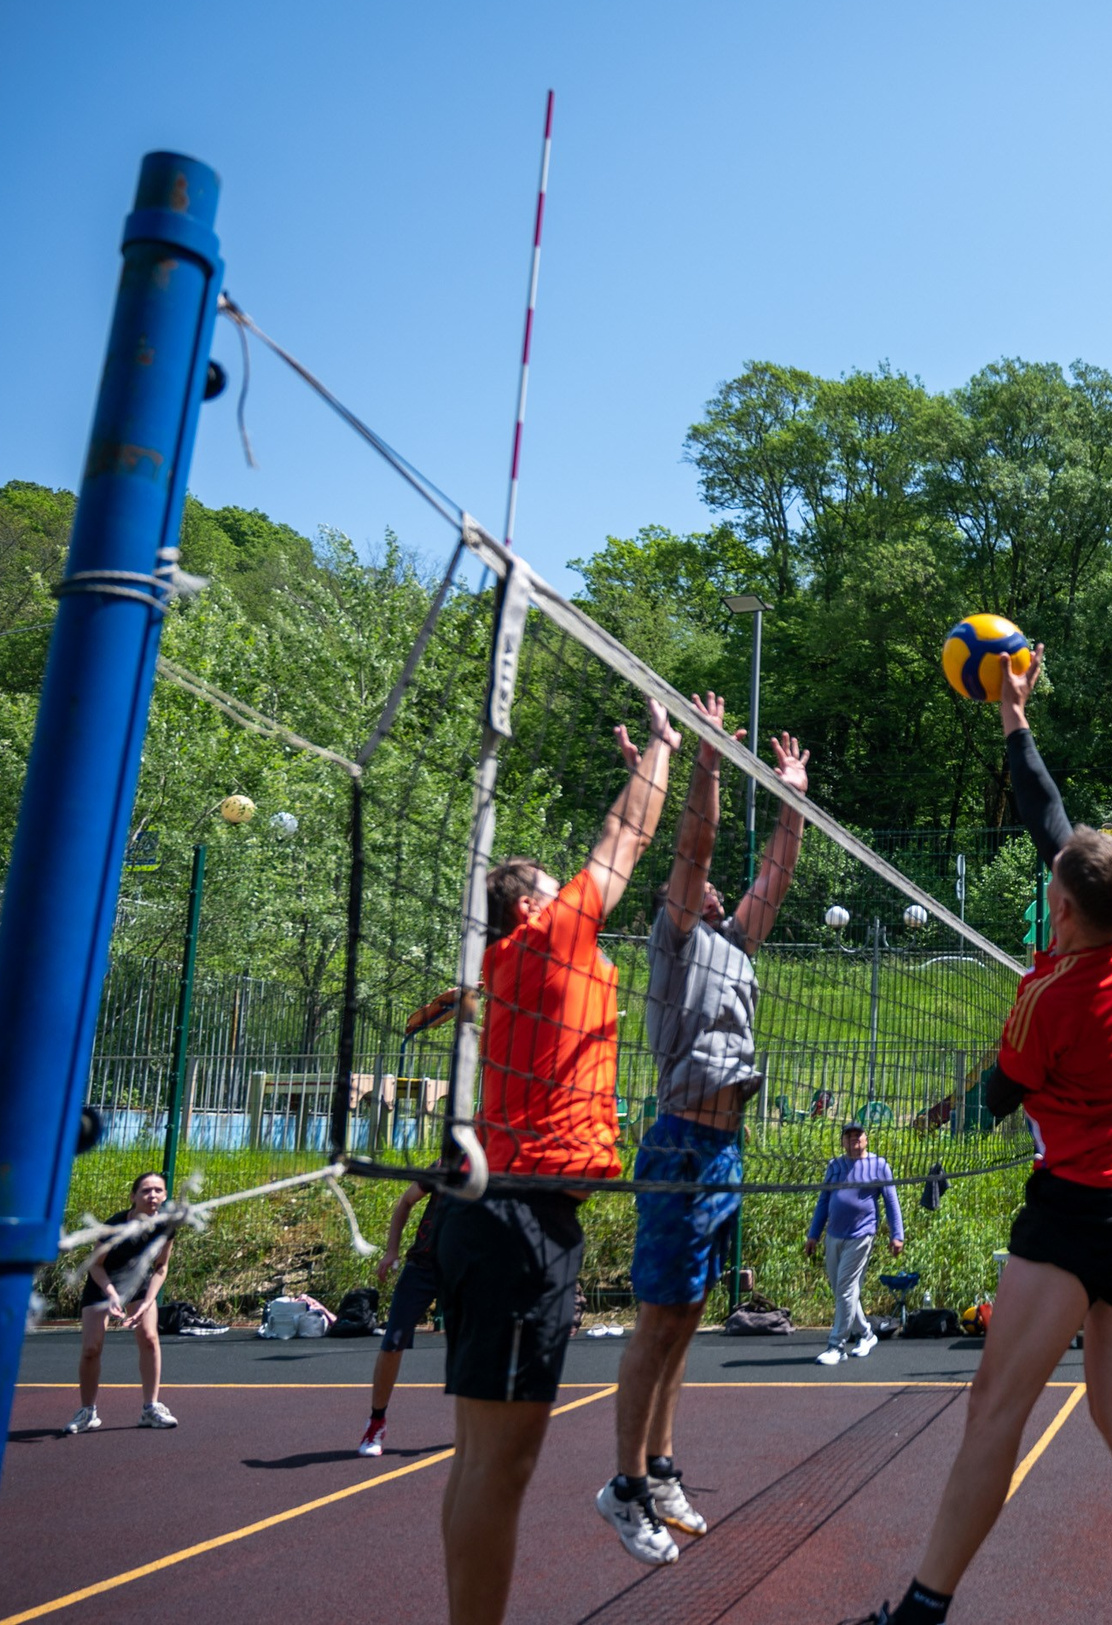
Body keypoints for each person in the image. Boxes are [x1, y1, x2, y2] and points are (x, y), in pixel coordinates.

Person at [849, 646, 1112, 1625]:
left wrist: (930, 1119)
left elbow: (992, 1100)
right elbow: (1051, 816)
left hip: (1083, 1206)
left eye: (1055, 883)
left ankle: (921, 1610)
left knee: (994, 1406)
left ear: (1064, 906)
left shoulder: (1052, 1001)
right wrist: (1013, 714)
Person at [437, 695, 679, 1625]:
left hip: (493, 1214)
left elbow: (619, 838)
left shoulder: (510, 961)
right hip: (521, 1224)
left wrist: (643, 768)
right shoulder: (546, 938)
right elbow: (626, 837)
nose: (573, 887)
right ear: (532, 905)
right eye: (554, 882)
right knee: (500, 1469)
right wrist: (659, 746)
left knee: (480, 1462)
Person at [597, 696, 811, 1564]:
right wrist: (711, 761)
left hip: (725, 1150)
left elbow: (777, 877)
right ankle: (623, 1485)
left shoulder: (736, 944)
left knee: (687, 1319)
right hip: (681, 1144)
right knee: (658, 1322)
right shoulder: (678, 935)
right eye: (696, 885)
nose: (712, 887)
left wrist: (792, 797)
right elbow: (696, 846)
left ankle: (661, 1466)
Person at [67, 1170, 176, 1434]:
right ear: (133, 1197)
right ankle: (87, 1412)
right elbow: (95, 1265)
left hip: (137, 1281)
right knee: (91, 1348)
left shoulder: (166, 1226)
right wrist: (112, 1294)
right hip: (103, 1282)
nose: (152, 1195)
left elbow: (161, 1267)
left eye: (158, 1190)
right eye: (146, 1190)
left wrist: (148, 1302)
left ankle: (150, 1408)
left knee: (149, 1337)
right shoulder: (115, 1225)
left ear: (164, 1195)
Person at [808, 1120, 904, 1365]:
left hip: (862, 1234)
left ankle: (837, 1345)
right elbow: (823, 1201)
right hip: (834, 1235)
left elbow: (891, 1201)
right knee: (843, 1291)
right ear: (843, 1141)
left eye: (858, 1135)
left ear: (866, 1139)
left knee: (846, 1288)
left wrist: (897, 1235)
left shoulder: (879, 1165)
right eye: (849, 1135)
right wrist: (813, 1234)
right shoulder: (835, 1166)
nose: (854, 1139)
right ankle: (866, 1334)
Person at [359, 1178, 441, 1457]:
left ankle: (480, 1428)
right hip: (422, 1267)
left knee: (475, 1347)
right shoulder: (445, 1166)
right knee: (393, 1343)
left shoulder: (501, 1168)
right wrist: (391, 1250)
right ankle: (376, 1422)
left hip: (465, 1269)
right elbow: (406, 1201)